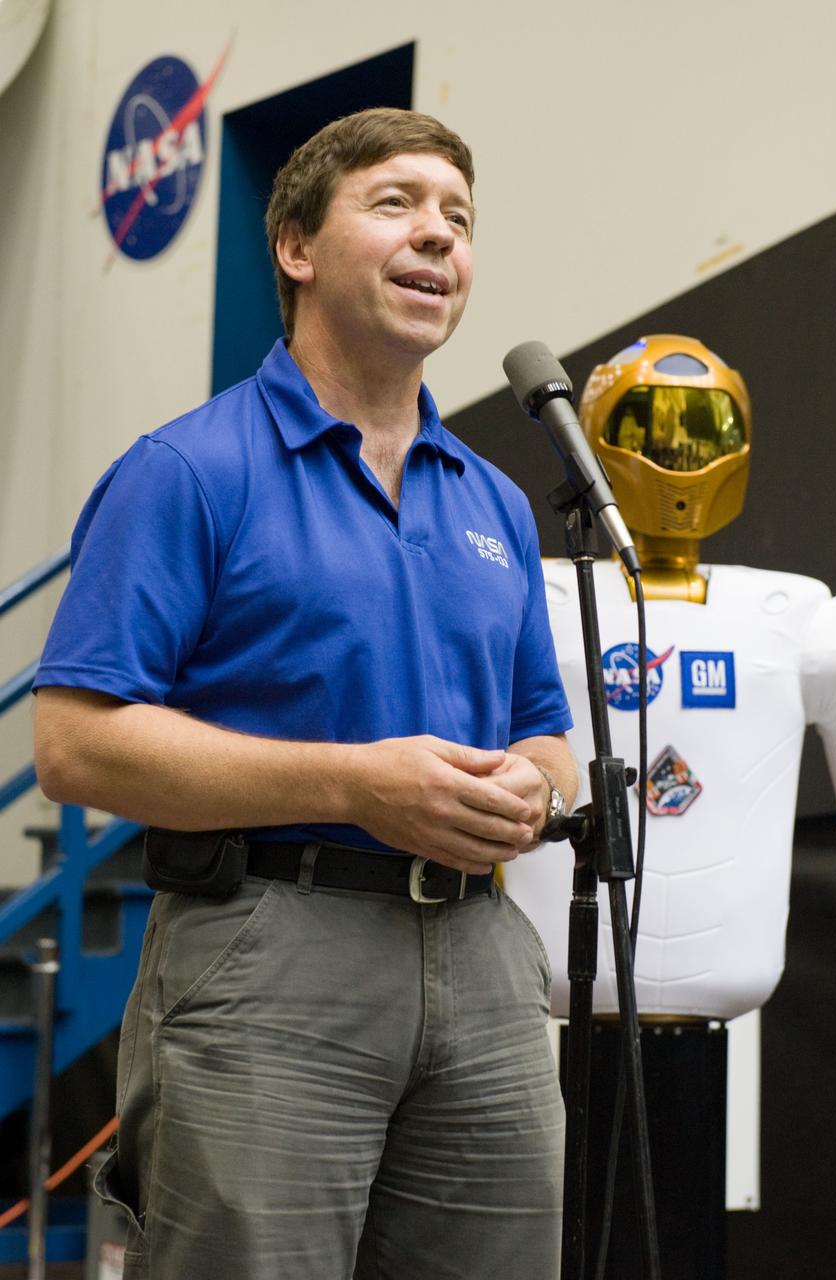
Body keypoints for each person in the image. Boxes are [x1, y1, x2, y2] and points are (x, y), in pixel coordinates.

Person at [33, 107, 577, 1280]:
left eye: (460, 218)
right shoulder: (187, 470)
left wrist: (527, 792)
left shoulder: (495, 500)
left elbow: (546, 730)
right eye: (395, 204)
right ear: (294, 247)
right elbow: (74, 745)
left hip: (484, 954)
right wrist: (349, 781)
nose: (438, 235)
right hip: (273, 942)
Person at [503, 333, 836, 1278]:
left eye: (701, 429)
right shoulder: (534, 597)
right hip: (542, 1010)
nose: (677, 454)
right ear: (594, 438)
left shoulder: (805, 622)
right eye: (651, 428)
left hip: (704, 1027)